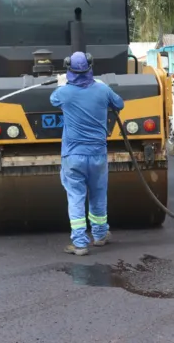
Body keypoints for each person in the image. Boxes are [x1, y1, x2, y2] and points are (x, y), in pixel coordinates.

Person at [50, 51, 125, 255]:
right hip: (98, 155)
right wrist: (100, 87)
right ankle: (100, 236)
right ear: (91, 67)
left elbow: (53, 99)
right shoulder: (103, 90)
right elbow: (120, 104)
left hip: (73, 156)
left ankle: (80, 243)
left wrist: (63, 82)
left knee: (75, 196)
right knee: (98, 195)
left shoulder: (64, 93)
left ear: (69, 69)